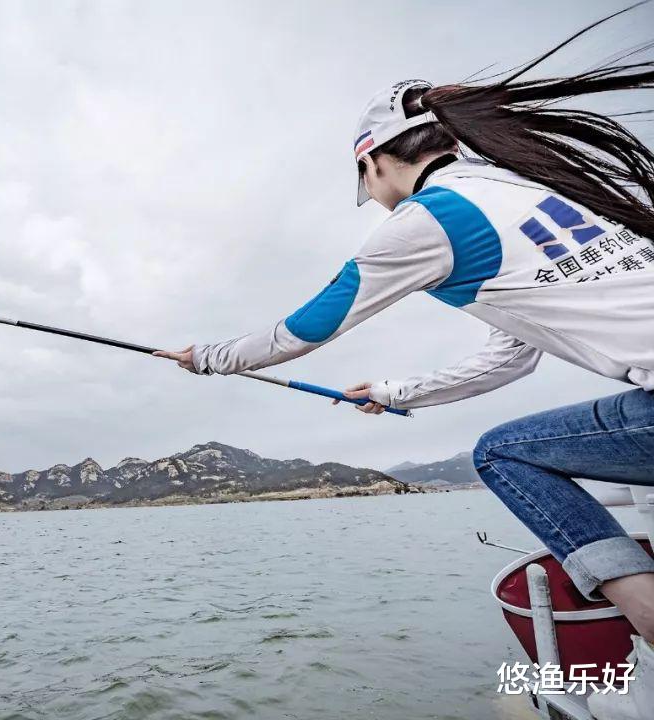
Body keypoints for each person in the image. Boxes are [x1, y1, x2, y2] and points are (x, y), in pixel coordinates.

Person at [155, 18, 654, 720]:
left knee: (502, 453)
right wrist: (393, 393)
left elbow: (311, 326)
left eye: (368, 181)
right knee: (508, 446)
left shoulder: (429, 217)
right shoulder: (532, 194)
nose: (375, 194)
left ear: (376, 162)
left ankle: (643, 609)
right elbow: (508, 357)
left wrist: (207, 358)